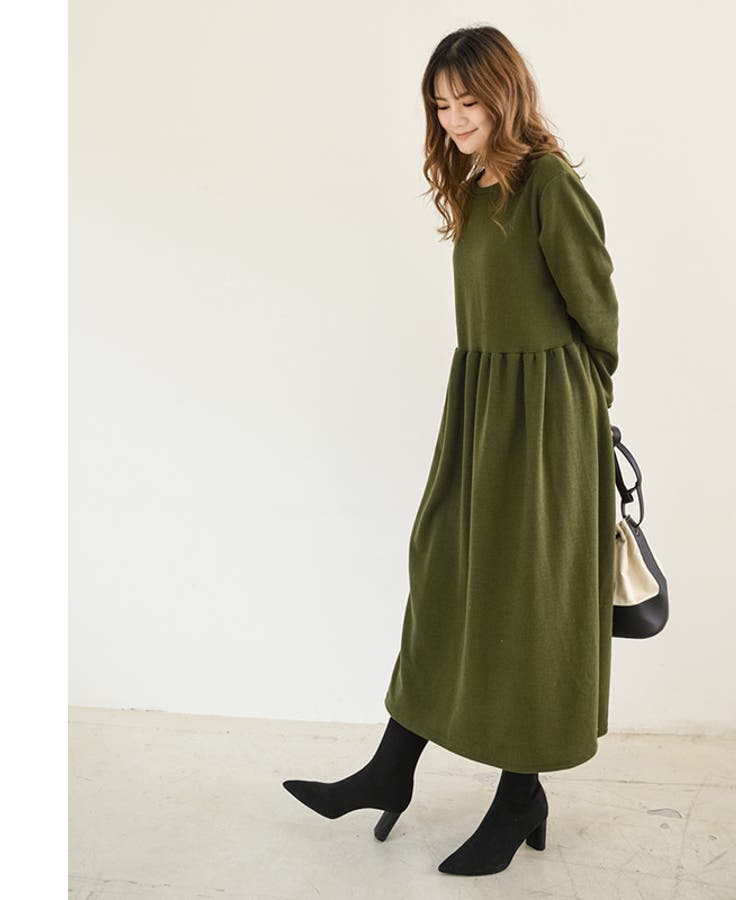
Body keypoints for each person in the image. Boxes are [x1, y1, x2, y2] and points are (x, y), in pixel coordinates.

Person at [283, 24, 620, 878]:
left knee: (526, 603)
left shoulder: (548, 184)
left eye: (469, 101)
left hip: (546, 417)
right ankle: (390, 769)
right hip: (479, 404)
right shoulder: (474, 186)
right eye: (442, 104)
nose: (456, 118)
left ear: (505, 95)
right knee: (443, 574)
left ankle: (519, 796)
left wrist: (576, 411)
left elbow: (598, 311)